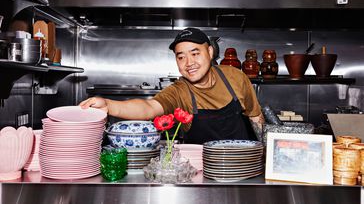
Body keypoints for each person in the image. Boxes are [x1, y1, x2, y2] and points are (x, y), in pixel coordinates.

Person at [80, 27, 265, 144]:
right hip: (202, 172)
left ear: (209, 52)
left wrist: (265, 153)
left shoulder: (235, 77)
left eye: (195, 53)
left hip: (243, 165)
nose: (189, 63)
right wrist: (109, 105)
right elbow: (149, 108)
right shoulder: (179, 91)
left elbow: (255, 117)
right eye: (181, 57)